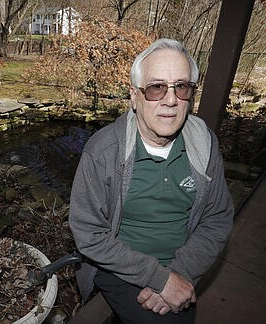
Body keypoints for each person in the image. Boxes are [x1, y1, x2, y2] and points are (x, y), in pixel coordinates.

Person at [69, 38, 234, 323]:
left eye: (181, 87)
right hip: (119, 265)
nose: (171, 100)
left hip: (182, 261)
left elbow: (217, 218)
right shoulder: (104, 151)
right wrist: (159, 279)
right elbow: (89, 234)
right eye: (157, 87)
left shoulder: (203, 143)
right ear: (134, 96)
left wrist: (179, 275)